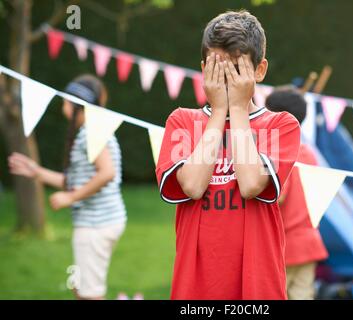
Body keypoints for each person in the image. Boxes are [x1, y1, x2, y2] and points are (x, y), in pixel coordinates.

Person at [155, 10, 300, 300]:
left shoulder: (281, 124)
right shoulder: (182, 121)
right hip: (195, 289)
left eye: (236, 69)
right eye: (216, 69)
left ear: (259, 71)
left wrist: (237, 109)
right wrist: (219, 111)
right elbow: (193, 186)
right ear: (203, 69)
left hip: (258, 287)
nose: (226, 79)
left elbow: (250, 185)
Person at [8, 75, 126, 300]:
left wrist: (71, 199)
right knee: (79, 287)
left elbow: (107, 173)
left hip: (96, 225)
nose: (62, 105)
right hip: (100, 222)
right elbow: (76, 180)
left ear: (77, 104)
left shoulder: (92, 131)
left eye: (64, 101)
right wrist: (37, 171)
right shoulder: (90, 131)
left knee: (89, 294)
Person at [266, 85, 328, 300]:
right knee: (303, 295)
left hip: (283, 246)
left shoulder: (276, 153)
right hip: (309, 242)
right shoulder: (308, 153)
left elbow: (277, 196)